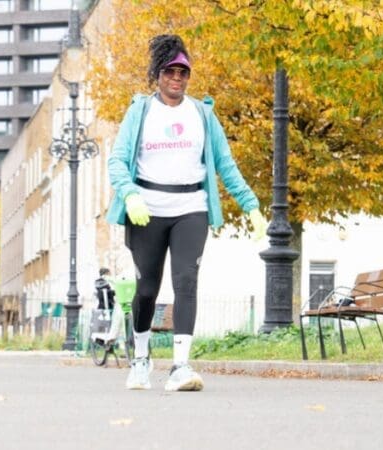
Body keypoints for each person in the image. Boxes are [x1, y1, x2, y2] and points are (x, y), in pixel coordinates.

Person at [106, 34, 267, 391]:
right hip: (146, 208)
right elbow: (117, 160)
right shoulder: (140, 111)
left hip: (191, 207)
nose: (177, 78)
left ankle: (180, 366)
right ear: (158, 74)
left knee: (186, 282)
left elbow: (226, 165)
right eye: (170, 71)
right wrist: (130, 195)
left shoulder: (202, 114)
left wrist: (251, 205)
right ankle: (142, 358)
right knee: (146, 289)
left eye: (183, 73)